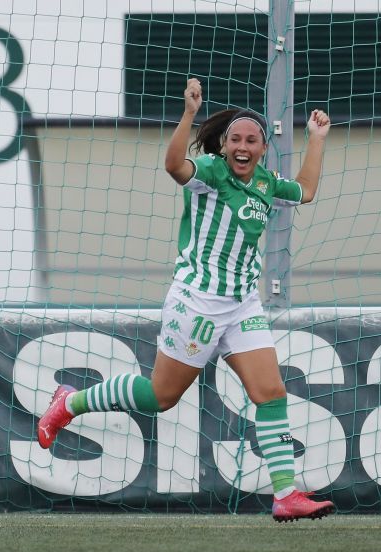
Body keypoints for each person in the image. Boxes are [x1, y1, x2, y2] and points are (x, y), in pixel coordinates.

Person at [37, 78, 333, 522]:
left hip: (242, 305)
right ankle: (70, 402)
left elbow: (306, 191)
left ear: (263, 148)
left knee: (271, 393)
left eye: (252, 140)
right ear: (225, 144)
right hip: (197, 302)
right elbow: (175, 165)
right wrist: (189, 113)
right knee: (161, 396)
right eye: (235, 138)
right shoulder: (211, 173)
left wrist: (315, 139)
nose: (242, 146)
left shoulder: (269, 184)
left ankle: (285, 494)